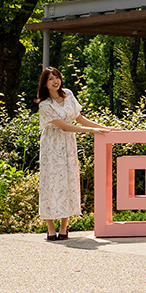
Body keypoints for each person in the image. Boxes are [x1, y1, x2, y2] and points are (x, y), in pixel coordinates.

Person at [37, 66, 113, 241]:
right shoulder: (45, 105)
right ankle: (50, 228)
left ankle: (64, 228)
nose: (55, 81)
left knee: (69, 180)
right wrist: (92, 131)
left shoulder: (68, 95)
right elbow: (64, 126)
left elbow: (79, 118)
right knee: (50, 182)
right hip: (52, 145)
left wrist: (104, 128)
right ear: (44, 83)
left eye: (57, 77)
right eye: (50, 79)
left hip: (68, 144)